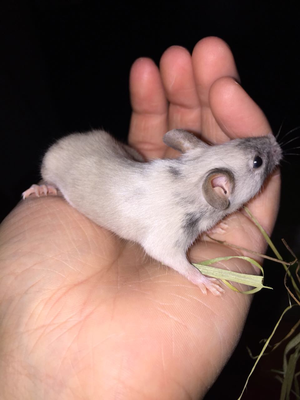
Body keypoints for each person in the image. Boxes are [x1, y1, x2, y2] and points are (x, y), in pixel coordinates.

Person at [0, 37, 280, 399]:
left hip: (102, 156)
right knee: (60, 160)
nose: (270, 153)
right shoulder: (183, 210)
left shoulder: (196, 182)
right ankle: (48, 180)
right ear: (221, 190)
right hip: (69, 161)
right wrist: (194, 276)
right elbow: (161, 245)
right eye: (258, 163)